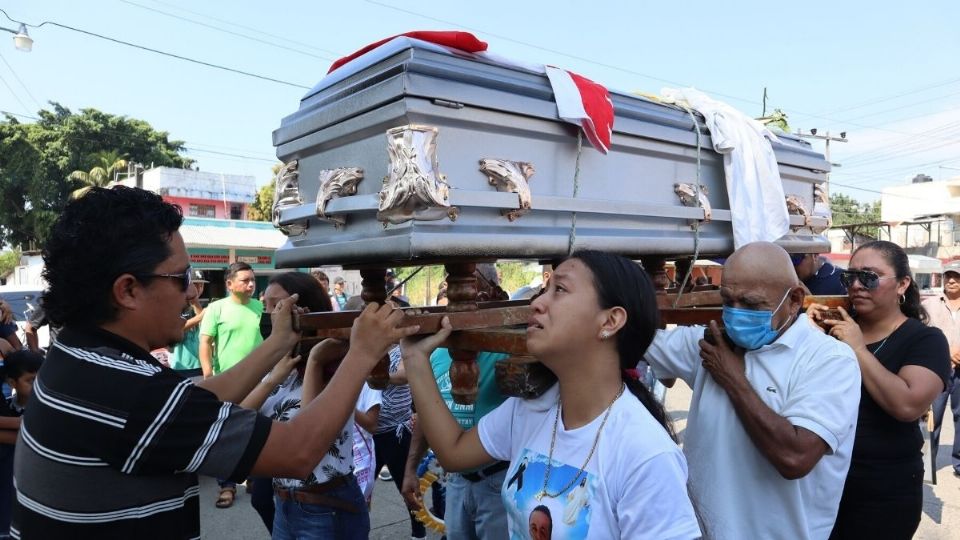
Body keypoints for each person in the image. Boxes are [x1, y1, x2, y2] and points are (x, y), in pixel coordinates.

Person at [12, 186, 419, 539]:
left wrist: (278, 343)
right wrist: (364, 353)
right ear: (128, 290)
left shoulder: (78, 358)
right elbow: (297, 452)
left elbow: (191, 400)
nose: (192, 292)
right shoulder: (130, 394)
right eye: (181, 277)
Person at [405, 250, 701, 539]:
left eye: (559, 289)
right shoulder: (531, 409)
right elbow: (454, 452)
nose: (537, 302)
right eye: (544, 289)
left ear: (610, 321)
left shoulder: (646, 455)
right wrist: (416, 359)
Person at [644, 241, 861, 540]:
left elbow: (794, 457)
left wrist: (733, 377)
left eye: (751, 304)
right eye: (728, 300)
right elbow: (634, 342)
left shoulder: (828, 360)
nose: (735, 314)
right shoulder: (711, 344)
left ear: (795, 299)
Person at [807, 240, 951, 539]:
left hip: (883, 492)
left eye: (869, 277)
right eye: (850, 277)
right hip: (821, 483)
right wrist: (805, 337)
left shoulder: (925, 340)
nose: (857, 285)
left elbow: (907, 405)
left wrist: (858, 349)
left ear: (902, 284)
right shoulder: (832, 330)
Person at [240, 272, 372, 539]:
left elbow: (308, 433)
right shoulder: (280, 365)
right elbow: (239, 417)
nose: (268, 315)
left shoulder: (338, 365)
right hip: (285, 501)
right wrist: (274, 375)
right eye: (265, 306)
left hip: (326, 505)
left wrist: (314, 362)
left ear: (305, 310)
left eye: (277, 306)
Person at [401, 265, 511, 539]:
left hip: (499, 478)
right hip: (457, 480)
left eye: (473, 295)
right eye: (455, 296)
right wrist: (411, 468)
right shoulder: (437, 352)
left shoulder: (508, 350)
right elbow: (429, 415)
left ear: (491, 297)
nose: (460, 306)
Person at [199, 261, 264, 508]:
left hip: (261, 381)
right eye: (245, 280)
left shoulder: (259, 307)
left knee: (258, 429)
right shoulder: (216, 308)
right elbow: (205, 343)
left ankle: (254, 478)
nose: (250, 285)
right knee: (227, 434)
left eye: (253, 281)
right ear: (229, 284)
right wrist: (208, 375)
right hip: (229, 381)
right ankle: (226, 485)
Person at [0, 350, 42, 539]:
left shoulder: (46, 409)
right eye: (31, 380)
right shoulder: (8, 406)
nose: (39, 385)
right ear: (12, 383)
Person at [925, 260, 960, 480]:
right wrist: (947, 352)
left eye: (956, 276)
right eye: (948, 276)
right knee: (932, 418)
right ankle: (928, 464)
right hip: (937, 369)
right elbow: (921, 335)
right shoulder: (930, 305)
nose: (952, 280)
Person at [167, 270, 208, 380]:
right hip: (181, 365)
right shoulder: (176, 305)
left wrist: (196, 304)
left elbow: (206, 326)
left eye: (201, 285)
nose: (198, 288)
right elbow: (177, 328)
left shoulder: (205, 306)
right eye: (195, 284)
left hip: (202, 365)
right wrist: (199, 317)